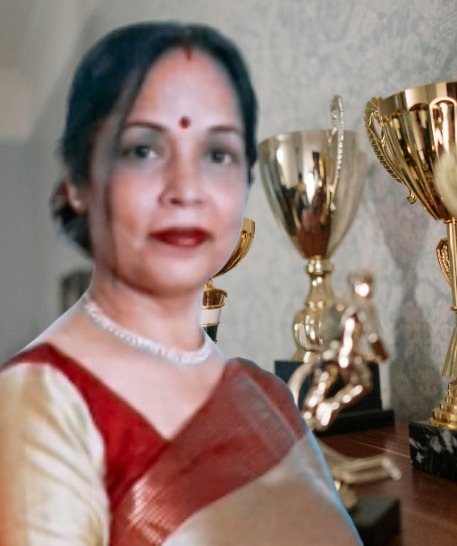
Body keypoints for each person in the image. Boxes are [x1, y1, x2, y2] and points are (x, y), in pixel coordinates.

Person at [0, 22, 362, 545]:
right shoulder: (41, 406)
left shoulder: (264, 392)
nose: (186, 189)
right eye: (144, 149)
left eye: (217, 153)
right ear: (78, 183)